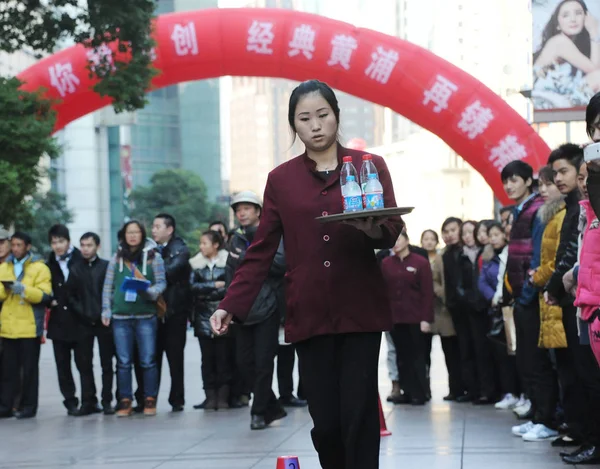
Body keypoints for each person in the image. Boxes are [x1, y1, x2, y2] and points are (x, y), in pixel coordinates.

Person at [210, 79, 403, 469]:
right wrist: (231, 304)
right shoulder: (281, 180)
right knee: (326, 422)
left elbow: (391, 228)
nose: (315, 125)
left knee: (359, 413)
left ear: (336, 116)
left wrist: (371, 230)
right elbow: (261, 249)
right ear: (293, 126)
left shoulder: (369, 166)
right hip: (309, 311)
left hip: (360, 309)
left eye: (322, 115)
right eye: (304, 118)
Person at [225, 190, 287, 430]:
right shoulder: (235, 239)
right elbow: (231, 275)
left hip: (268, 307)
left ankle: (259, 412)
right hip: (242, 310)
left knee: (263, 363)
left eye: (247, 208)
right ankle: (272, 406)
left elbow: (281, 264)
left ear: (259, 211)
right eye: (238, 209)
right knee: (243, 364)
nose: (241, 213)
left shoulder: (271, 235)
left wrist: (253, 254)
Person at [102, 220, 166, 417]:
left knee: (148, 360)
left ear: (142, 234)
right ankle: (125, 400)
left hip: (146, 316)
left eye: (136, 232)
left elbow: (162, 283)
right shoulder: (116, 258)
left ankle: (149, 399)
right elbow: (108, 287)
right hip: (121, 317)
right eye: (129, 232)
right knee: (123, 362)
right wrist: (106, 310)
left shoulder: (153, 258)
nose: (132, 236)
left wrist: (150, 291)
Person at [500, 160, 545, 434]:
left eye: (514, 179)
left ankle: (545, 419)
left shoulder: (537, 208)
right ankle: (537, 413)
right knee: (527, 359)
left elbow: (536, 255)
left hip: (531, 295)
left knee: (537, 361)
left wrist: (527, 293)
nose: (509, 185)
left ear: (529, 180)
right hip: (520, 295)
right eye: (506, 181)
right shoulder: (521, 209)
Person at [46, 224, 99, 417]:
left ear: (68, 241)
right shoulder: (49, 262)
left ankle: (89, 400)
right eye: (54, 242)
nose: (58, 246)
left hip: (81, 320)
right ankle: (70, 401)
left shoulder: (81, 258)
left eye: (61, 241)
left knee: (84, 363)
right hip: (58, 321)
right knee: (63, 365)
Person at [0, 232, 52, 419]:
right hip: (8, 326)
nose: (15, 249)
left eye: (19, 245)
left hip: (29, 326)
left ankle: (29, 406)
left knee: (29, 370)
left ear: (28, 246)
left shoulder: (39, 268)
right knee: (8, 370)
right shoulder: (5, 267)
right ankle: (6, 406)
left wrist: (23, 290)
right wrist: (6, 289)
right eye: (13, 245)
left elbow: (45, 295)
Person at [382, 232, 433, 406]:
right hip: (395, 318)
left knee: (417, 356)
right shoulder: (386, 263)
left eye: (398, 239)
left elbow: (427, 293)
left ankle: (420, 392)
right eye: (392, 242)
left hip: (415, 317)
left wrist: (426, 318)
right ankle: (405, 391)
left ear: (407, 240)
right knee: (401, 356)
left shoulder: (421, 262)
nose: (395, 244)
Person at [68, 232, 116, 415]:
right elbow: (70, 296)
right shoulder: (75, 268)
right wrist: (82, 312)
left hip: (104, 322)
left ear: (97, 246)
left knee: (106, 364)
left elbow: (111, 291)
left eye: (89, 245)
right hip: (82, 322)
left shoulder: (106, 266)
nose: (85, 249)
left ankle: (107, 401)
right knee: (84, 363)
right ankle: (88, 401)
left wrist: (105, 312)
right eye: (82, 245)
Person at [150, 213, 190, 412]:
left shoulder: (180, 250)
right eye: (153, 227)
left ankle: (177, 399)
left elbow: (166, 273)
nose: (153, 230)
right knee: (151, 357)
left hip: (174, 312)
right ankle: (150, 398)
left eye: (158, 226)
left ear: (170, 229)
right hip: (154, 313)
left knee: (175, 358)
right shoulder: (149, 250)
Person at [481, 222, 521, 411]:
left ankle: (520, 393)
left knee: (516, 354)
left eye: (497, 234)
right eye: (491, 235)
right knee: (502, 355)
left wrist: (503, 297)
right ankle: (509, 392)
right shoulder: (489, 256)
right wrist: (494, 298)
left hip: (511, 308)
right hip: (497, 311)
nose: (493, 238)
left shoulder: (510, 253)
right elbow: (481, 281)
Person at [189, 230, 231, 410]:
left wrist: (209, 292)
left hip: (223, 314)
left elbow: (230, 286)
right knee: (207, 359)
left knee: (224, 358)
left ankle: (223, 397)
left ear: (216, 245)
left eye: (205, 243)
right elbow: (193, 287)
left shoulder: (227, 261)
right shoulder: (196, 264)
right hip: (203, 316)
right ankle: (209, 396)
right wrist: (214, 285)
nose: (201, 247)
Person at [456, 220, 497, 404]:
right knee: (468, 351)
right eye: (464, 233)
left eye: (471, 232)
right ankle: (474, 389)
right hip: (467, 310)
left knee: (485, 351)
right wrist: (467, 299)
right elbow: (458, 284)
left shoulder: (487, 253)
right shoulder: (460, 255)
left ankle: (488, 390)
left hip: (485, 308)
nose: (468, 236)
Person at [421, 229, 462, 402]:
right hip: (426, 311)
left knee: (451, 352)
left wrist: (441, 292)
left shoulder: (442, 257)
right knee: (423, 354)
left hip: (444, 312)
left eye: (432, 239)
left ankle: (456, 388)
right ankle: (424, 389)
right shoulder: (418, 257)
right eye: (426, 239)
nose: (429, 242)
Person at [533, 0, 600, 107]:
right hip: (544, 101)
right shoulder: (559, 42)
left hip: (559, 101)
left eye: (578, 13)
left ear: (586, 18)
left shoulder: (579, 48)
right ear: (558, 25)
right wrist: (593, 31)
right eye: (566, 15)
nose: (573, 19)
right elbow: (595, 70)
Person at [441, 216, 470, 403]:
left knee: (469, 350)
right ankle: (458, 388)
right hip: (452, 309)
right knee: (455, 351)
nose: (450, 235)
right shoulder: (445, 254)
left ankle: (472, 388)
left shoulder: (466, 251)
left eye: (453, 230)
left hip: (470, 306)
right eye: (446, 231)